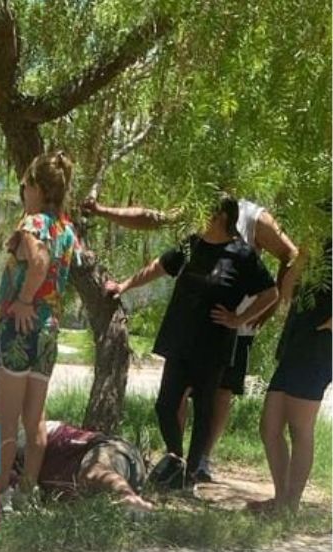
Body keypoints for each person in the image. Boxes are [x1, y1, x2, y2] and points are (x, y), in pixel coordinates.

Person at [83, 196, 298, 481]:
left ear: (220, 215)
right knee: (165, 404)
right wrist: (124, 285)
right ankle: (176, 456)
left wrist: (239, 319)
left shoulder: (242, 254)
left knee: (204, 408)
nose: (196, 216)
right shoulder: (192, 244)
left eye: (202, 210)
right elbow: (159, 266)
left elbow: (270, 293)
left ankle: (192, 471)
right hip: (180, 337)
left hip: (214, 344)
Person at [0, 152, 78, 500]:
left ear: (38, 188)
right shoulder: (66, 230)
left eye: (24, 185)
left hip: (20, 328)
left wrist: (24, 299)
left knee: (7, 419)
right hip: (48, 330)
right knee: (35, 418)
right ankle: (27, 492)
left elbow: (38, 260)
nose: (22, 191)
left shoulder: (33, 224)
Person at [253, 232, 331, 513]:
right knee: (269, 425)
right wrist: (302, 259)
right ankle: (281, 497)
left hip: (319, 346)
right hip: (295, 340)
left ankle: (290, 504)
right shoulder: (318, 243)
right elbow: (286, 291)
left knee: (300, 428)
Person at [17, 421, 153, 512]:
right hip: (120, 477)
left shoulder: (25, 436)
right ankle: (128, 500)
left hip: (111, 451)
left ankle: (128, 497)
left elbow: (34, 436)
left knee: (92, 472)